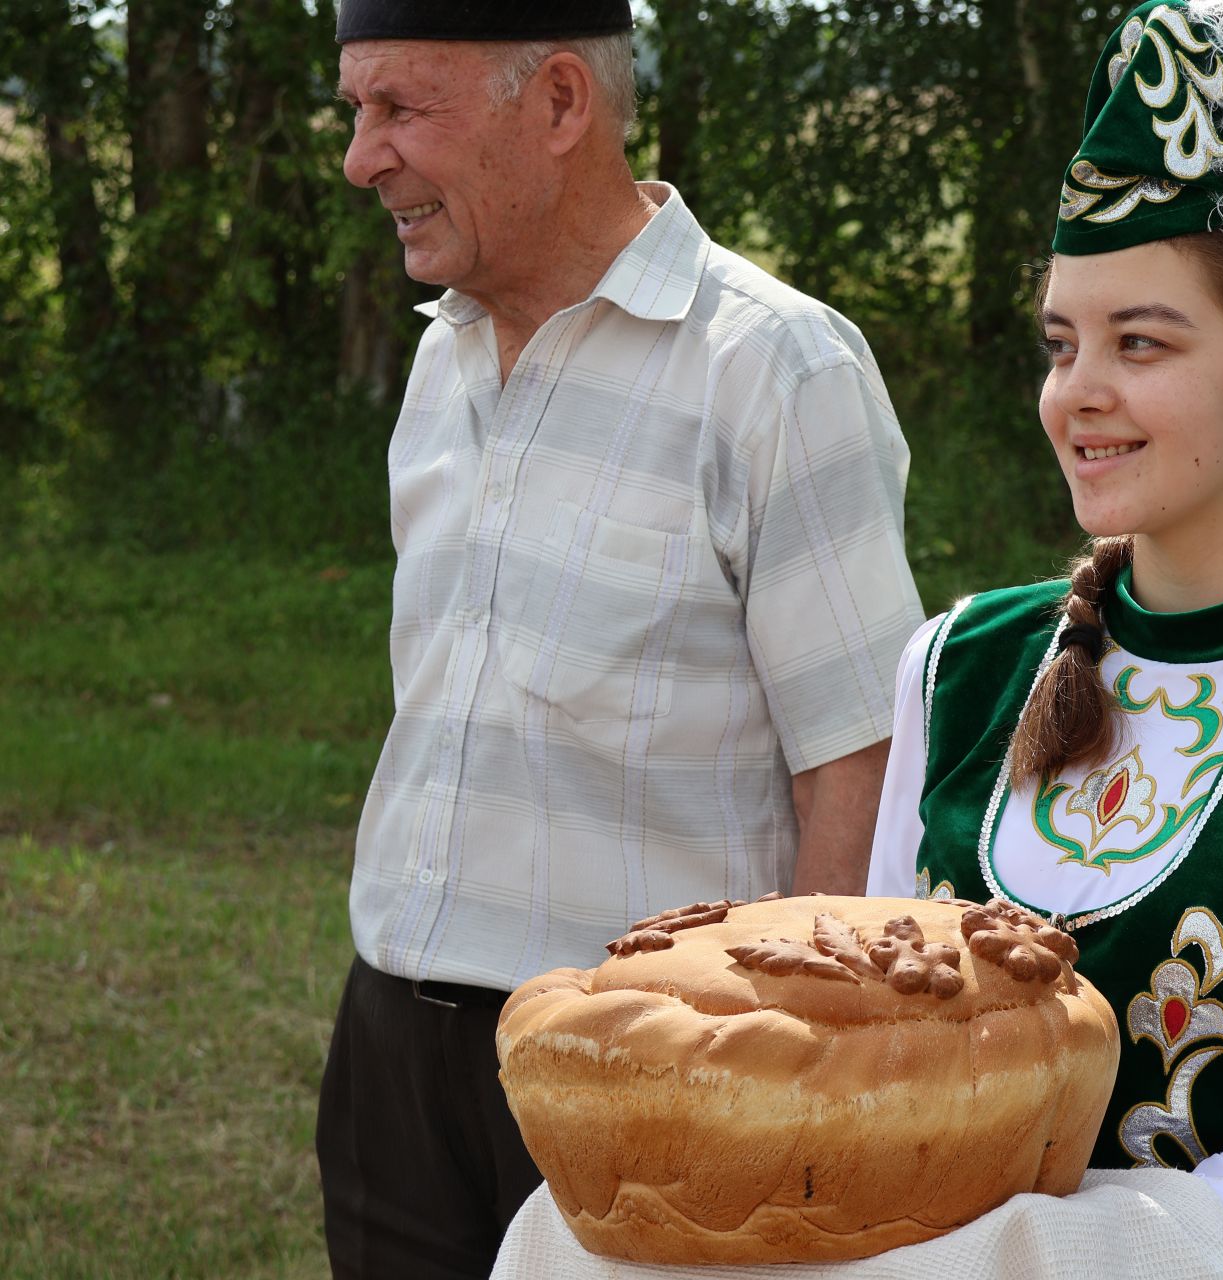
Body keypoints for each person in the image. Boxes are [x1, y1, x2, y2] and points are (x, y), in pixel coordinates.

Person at [488, 1, 1223, 1277]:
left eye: (1141, 342)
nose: (1076, 391)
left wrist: (1050, 1250)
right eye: (1061, 342)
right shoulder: (963, 660)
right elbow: (859, 1062)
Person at [318, 2, 925, 1277]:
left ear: (554, 105)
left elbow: (857, 770)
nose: (361, 158)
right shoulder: (442, 362)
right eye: (354, 111)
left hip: (654, 1075)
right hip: (390, 1050)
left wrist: (788, 1088)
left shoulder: (776, 369)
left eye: (397, 109)